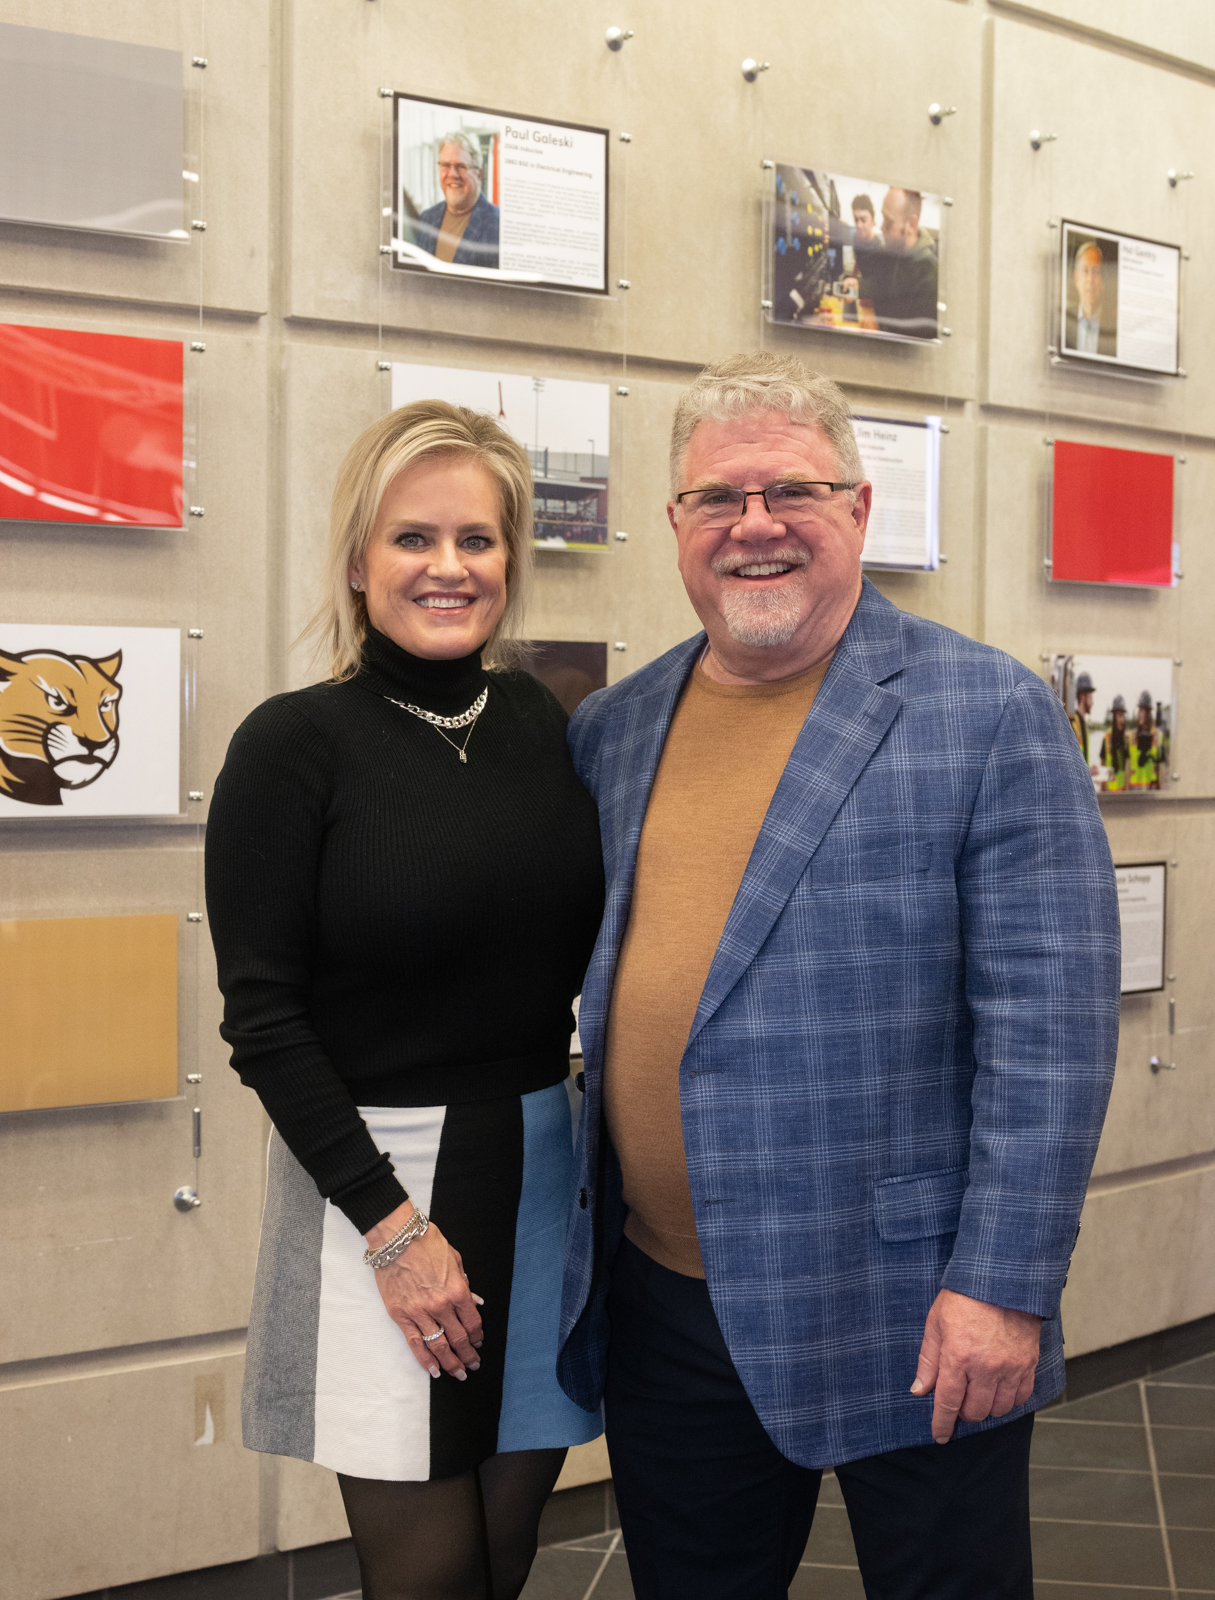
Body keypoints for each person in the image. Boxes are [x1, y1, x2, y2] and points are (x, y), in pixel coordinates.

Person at [557, 351, 1120, 1599]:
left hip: (913, 1304)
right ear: (675, 523)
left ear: (859, 509)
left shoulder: (987, 711)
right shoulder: (615, 727)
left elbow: (1053, 1031)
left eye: (791, 492)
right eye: (717, 497)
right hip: (668, 1305)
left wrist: (1004, 1286)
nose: (753, 525)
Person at [205, 401, 604, 1600]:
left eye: (477, 539)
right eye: (412, 538)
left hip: (540, 1169)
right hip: (375, 1189)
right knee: (428, 1575)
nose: (448, 566)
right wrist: (393, 1230)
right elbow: (262, 1019)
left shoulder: (539, 721)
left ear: (511, 560)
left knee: (505, 1556)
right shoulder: (292, 745)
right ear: (358, 560)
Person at [855, 187, 938, 337]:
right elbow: (879, 285)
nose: (882, 227)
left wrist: (879, 332)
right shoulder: (892, 254)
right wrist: (857, 286)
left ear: (911, 224)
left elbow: (918, 343)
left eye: (888, 221)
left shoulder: (929, 276)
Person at [415, 131, 500, 270]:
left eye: (461, 166)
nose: (452, 174)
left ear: (479, 174)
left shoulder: (498, 226)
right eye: (445, 165)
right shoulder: (426, 219)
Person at [1065, 239, 1115, 357]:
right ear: (1076, 278)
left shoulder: (1114, 324)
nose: (1090, 280)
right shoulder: (1064, 320)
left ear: (1102, 280)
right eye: (1085, 271)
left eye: (1096, 272)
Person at [1127, 688, 1165, 790]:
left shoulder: (1158, 735)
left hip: (1151, 789)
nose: (1139, 714)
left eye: (1142, 710)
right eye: (1139, 710)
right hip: (1134, 789)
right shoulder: (1131, 736)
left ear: (1148, 712)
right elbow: (1128, 764)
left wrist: (1161, 789)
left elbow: (1161, 766)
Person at [1101, 694, 1130, 791]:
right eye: (1119, 715)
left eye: (1123, 716)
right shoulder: (1107, 738)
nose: (1121, 719)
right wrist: (1103, 789)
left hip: (1122, 791)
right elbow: (1103, 764)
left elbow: (1127, 765)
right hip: (1109, 791)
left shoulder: (1125, 739)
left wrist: (1126, 788)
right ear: (1114, 716)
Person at [1070, 668, 1096, 762]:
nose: (1092, 703)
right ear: (1083, 696)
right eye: (1091, 697)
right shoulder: (1072, 724)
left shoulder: (1083, 724)